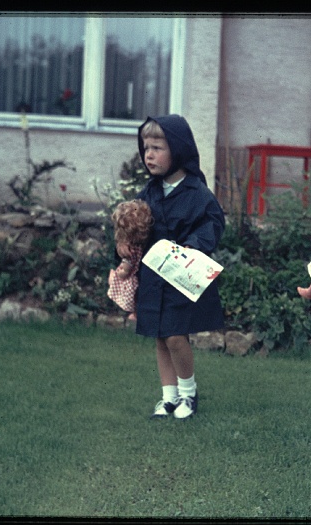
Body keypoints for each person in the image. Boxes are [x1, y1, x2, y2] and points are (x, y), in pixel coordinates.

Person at [130, 115, 226, 420]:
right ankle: (168, 397)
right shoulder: (149, 193)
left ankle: (188, 393)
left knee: (175, 335)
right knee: (160, 336)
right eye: (146, 148)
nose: (149, 155)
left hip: (182, 276)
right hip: (153, 276)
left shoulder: (197, 193)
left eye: (157, 148)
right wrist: (123, 244)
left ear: (179, 150)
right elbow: (134, 227)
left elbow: (213, 224)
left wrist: (193, 245)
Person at [107, 199, 153, 321]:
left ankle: (135, 313)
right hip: (140, 274)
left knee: (132, 293)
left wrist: (120, 274)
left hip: (131, 275)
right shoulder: (140, 244)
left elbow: (127, 268)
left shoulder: (130, 250)